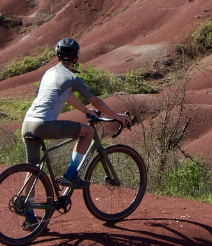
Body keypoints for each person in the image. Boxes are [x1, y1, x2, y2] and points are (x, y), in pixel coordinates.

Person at [20, 37, 130, 185]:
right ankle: (71, 175)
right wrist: (117, 116)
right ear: (76, 58)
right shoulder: (72, 78)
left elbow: (68, 96)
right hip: (44, 124)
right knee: (89, 132)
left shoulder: (48, 73)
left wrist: (86, 111)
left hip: (27, 123)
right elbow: (94, 100)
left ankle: (27, 207)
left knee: (33, 169)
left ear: (57, 56)